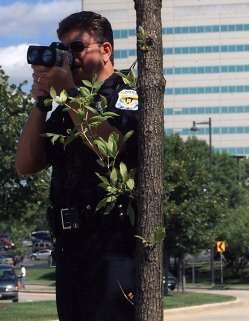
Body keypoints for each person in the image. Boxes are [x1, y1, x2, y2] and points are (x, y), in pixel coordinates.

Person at [15, 11, 138, 321]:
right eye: (64, 49)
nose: (70, 57)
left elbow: (111, 149)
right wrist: (42, 102)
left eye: (78, 48)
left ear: (106, 50)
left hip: (113, 249)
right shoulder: (69, 106)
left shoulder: (126, 94)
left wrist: (68, 93)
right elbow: (26, 165)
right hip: (71, 249)